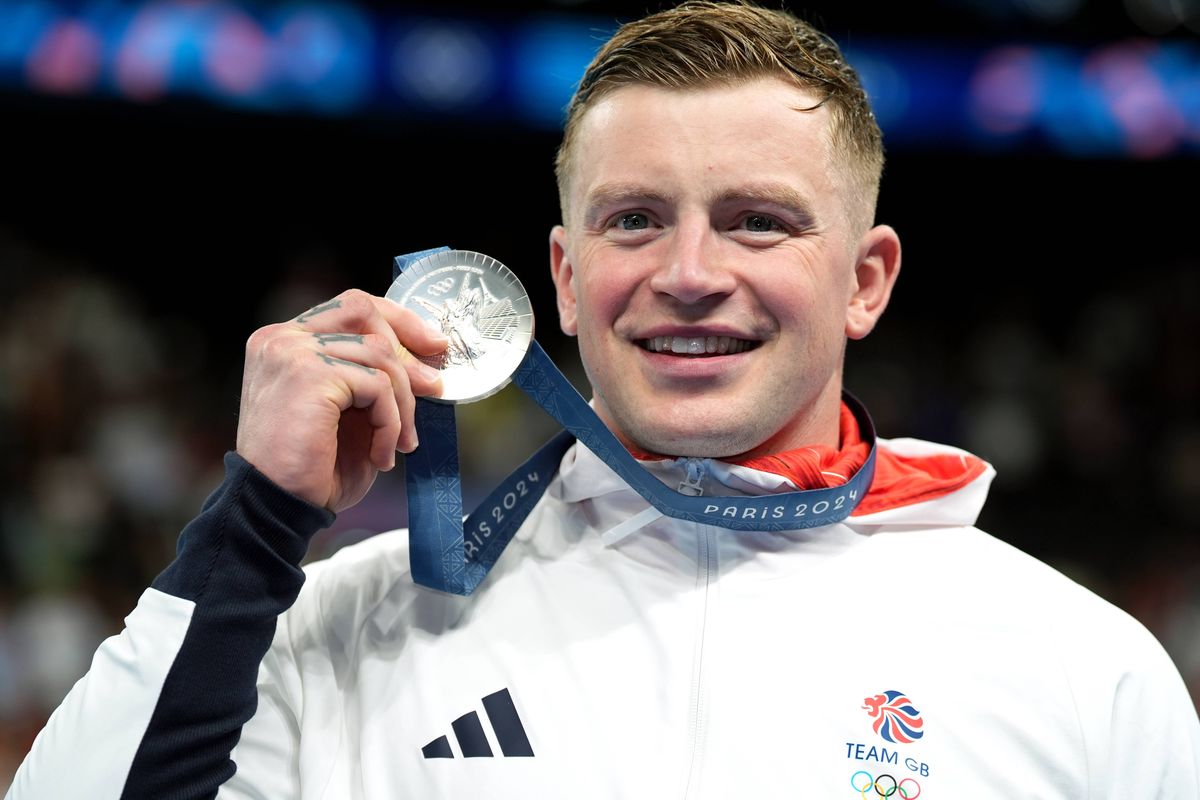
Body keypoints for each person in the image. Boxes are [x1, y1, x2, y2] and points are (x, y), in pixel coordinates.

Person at [8, 1, 1200, 798]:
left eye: (759, 221)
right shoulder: (342, 625)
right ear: (567, 280)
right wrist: (254, 522)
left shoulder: (1080, 667)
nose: (688, 272)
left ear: (866, 280)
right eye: (635, 219)